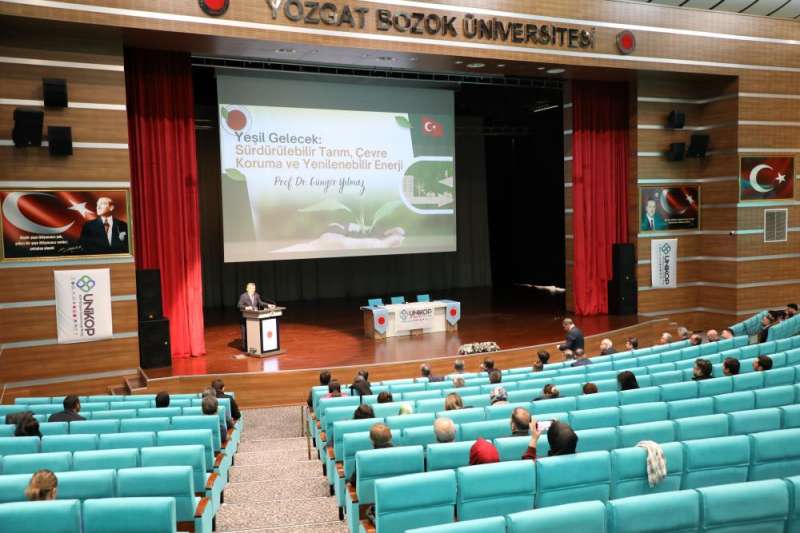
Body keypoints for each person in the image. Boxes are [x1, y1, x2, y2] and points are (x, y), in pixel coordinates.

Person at [348, 423, 393, 489]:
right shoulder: (403, 454)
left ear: (371, 440)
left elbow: (353, 482)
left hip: (369, 494)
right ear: (391, 437)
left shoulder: (363, 458)